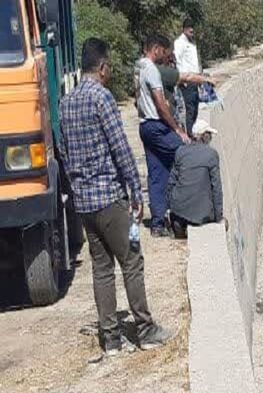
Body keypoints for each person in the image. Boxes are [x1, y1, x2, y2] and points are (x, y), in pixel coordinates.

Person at [61, 38, 173, 356]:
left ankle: (110, 338)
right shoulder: (102, 98)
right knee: (132, 260)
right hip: (110, 199)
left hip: (84, 203)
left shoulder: (66, 102)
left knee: (101, 268)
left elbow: (65, 153)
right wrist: (136, 192)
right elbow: (120, 148)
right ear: (103, 67)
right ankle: (146, 329)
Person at [136, 34, 189, 237]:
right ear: (156, 49)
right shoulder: (151, 69)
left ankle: (158, 223)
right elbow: (161, 104)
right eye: (164, 52)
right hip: (157, 125)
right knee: (186, 154)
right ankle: (182, 213)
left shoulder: (138, 66)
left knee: (157, 173)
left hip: (145, 126)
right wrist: (177, 130)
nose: (165, 56)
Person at [166, 117, 222, 237]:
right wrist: (219, 217)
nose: (210, 137)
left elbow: (172, 181)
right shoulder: (211, 154)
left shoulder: (180, 151)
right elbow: (216, 188)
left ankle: (177, 223)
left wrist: (170, 205)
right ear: (204, 136)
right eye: (209, 134)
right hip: (202, 213)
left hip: (179, 207)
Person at [173, 20, 209, 136]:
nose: (191, 30)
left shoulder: (192, 43)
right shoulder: (179, 43)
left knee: (195, 108)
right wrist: (182, 79)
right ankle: (188, 135)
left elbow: (195, 62)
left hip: (195, 80)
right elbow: (177, 61)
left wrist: (200, 76)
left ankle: (192, 131)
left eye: (192, 27)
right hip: (187, 81)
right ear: (184, 29)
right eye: (189, 28)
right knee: (189, 109)